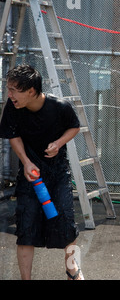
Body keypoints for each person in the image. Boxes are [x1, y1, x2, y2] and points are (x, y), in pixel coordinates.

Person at [0, 64, 83, 280]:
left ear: (30, 91)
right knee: (26, 230)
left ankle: (73, 272)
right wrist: (26, 162)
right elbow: (12, 134)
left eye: (13, 90)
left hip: (57, 174)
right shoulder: (13, 107)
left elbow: (74, 126)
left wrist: (58, 143)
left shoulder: (60, 106)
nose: (9, 95)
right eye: (8, 89)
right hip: (30, 175)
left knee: (67, 225)